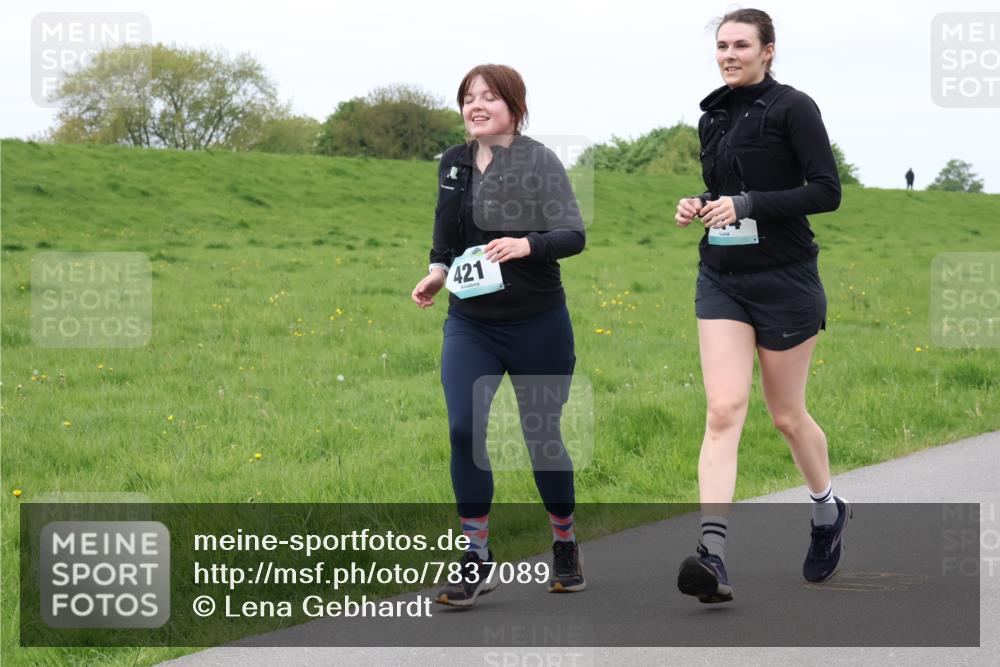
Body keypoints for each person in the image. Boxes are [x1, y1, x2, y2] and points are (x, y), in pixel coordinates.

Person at [673, 8, 848, 603]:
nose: (728, 54)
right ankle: (713, 557)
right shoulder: (711, 115)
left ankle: (827, 511)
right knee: (723, 410)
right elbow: (724, 190)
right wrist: (700, 204)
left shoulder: (795, 107)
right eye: (721, 45)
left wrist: (746, 204)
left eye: (740, 45)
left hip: (787, 279)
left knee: (786, 416)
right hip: (722, 277)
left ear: (768, 50)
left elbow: (826, 191)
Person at [411, 64, 587, 607]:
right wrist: (437, 273)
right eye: (468, 97)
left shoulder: (538, 160)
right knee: (465, 430)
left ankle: (564, 543)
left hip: (537, 322)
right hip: (470, 324)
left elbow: (572, 234)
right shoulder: (453, 163)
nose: (476, 105)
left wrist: (526, 244)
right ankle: (476, 557)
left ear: (514, 105)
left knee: (541, 437)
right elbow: (446, 239)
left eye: (488, 96)